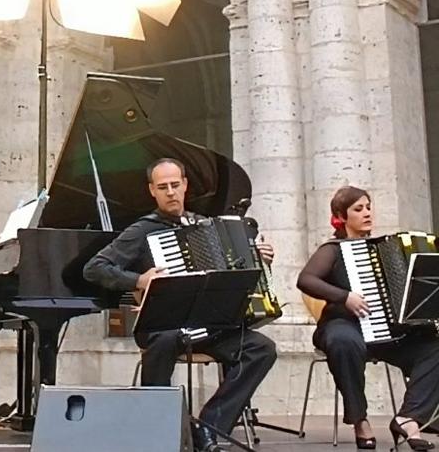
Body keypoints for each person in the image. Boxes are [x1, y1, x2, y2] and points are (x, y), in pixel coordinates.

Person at [82, 157, 277, 452]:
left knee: (260, 348)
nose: (171, 192)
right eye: (163, 187)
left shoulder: (204, 224)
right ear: (152, 191)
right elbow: (94, 268)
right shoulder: (142, 231)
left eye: (175, 185)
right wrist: (138, 280)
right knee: (164, 340)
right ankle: (156, 426)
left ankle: (209, 427)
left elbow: (234, 271)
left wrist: (256, 253)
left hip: (208, 326)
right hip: (163, 324)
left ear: (185, 185)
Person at [297, 186, 439, 450]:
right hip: (345, 324)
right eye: (358, 209)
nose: (367, 213)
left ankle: (409, 417)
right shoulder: (334, 249)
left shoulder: (386, 248)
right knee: (343, 341)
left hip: (388, 330)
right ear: (341, 215)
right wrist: (345, 296)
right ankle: (360, 419)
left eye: (369, 207)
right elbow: (305, 280)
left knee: (434, 346)